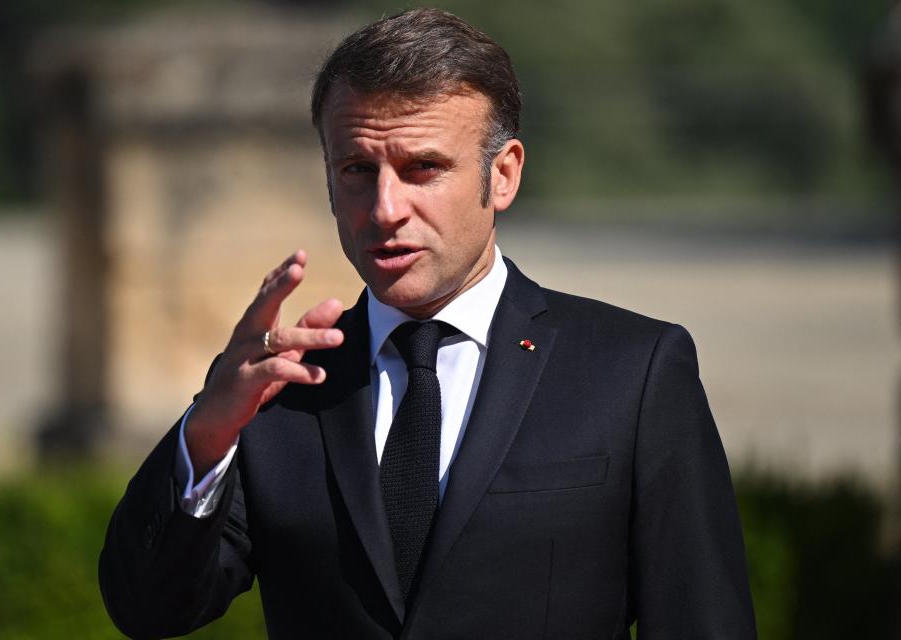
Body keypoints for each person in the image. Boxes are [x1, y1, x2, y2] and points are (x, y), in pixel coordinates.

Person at [99, 8, 757, 639]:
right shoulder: (278, 391)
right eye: (358, 169)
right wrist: (207, 431)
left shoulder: (631, 372)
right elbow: (147, 608)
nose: (385, 208)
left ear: (502, 176)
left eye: (423, 169)